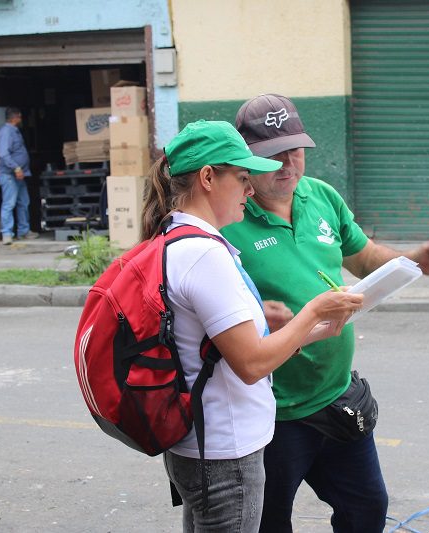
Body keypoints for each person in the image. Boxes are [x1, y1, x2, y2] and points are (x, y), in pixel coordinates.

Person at [221, 94, 429, 533]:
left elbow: (364, 256)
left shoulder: (320, 196)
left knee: (367, 508)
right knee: (269, 522)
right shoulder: (227, 217)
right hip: (274, 415)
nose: (288, 164)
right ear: (246, 159)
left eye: (295, 150)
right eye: (273, 155)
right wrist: (258, 317)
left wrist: (413, 261)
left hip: (335, 396)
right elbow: (206, 311)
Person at [143, 119, 363, 532]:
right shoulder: (205, 255)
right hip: (225, 448)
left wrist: (287, 327)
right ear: (208, 178)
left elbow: (219, 342)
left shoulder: (179, 237)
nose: (250, 188)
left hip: (202, 444)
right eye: (243, 177)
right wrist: (313, 314)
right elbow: (251, 364)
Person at [0, 107, 37, 245]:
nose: (21, 120)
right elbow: (3, 154)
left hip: (19, 175)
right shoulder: (7, 132)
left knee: (23, 202)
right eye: (19, 117)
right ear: (15, 118)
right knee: (9, 203)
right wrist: (16, 167)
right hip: (9, 175)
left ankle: (23, 231)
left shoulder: (14, 131)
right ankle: (7, 234)